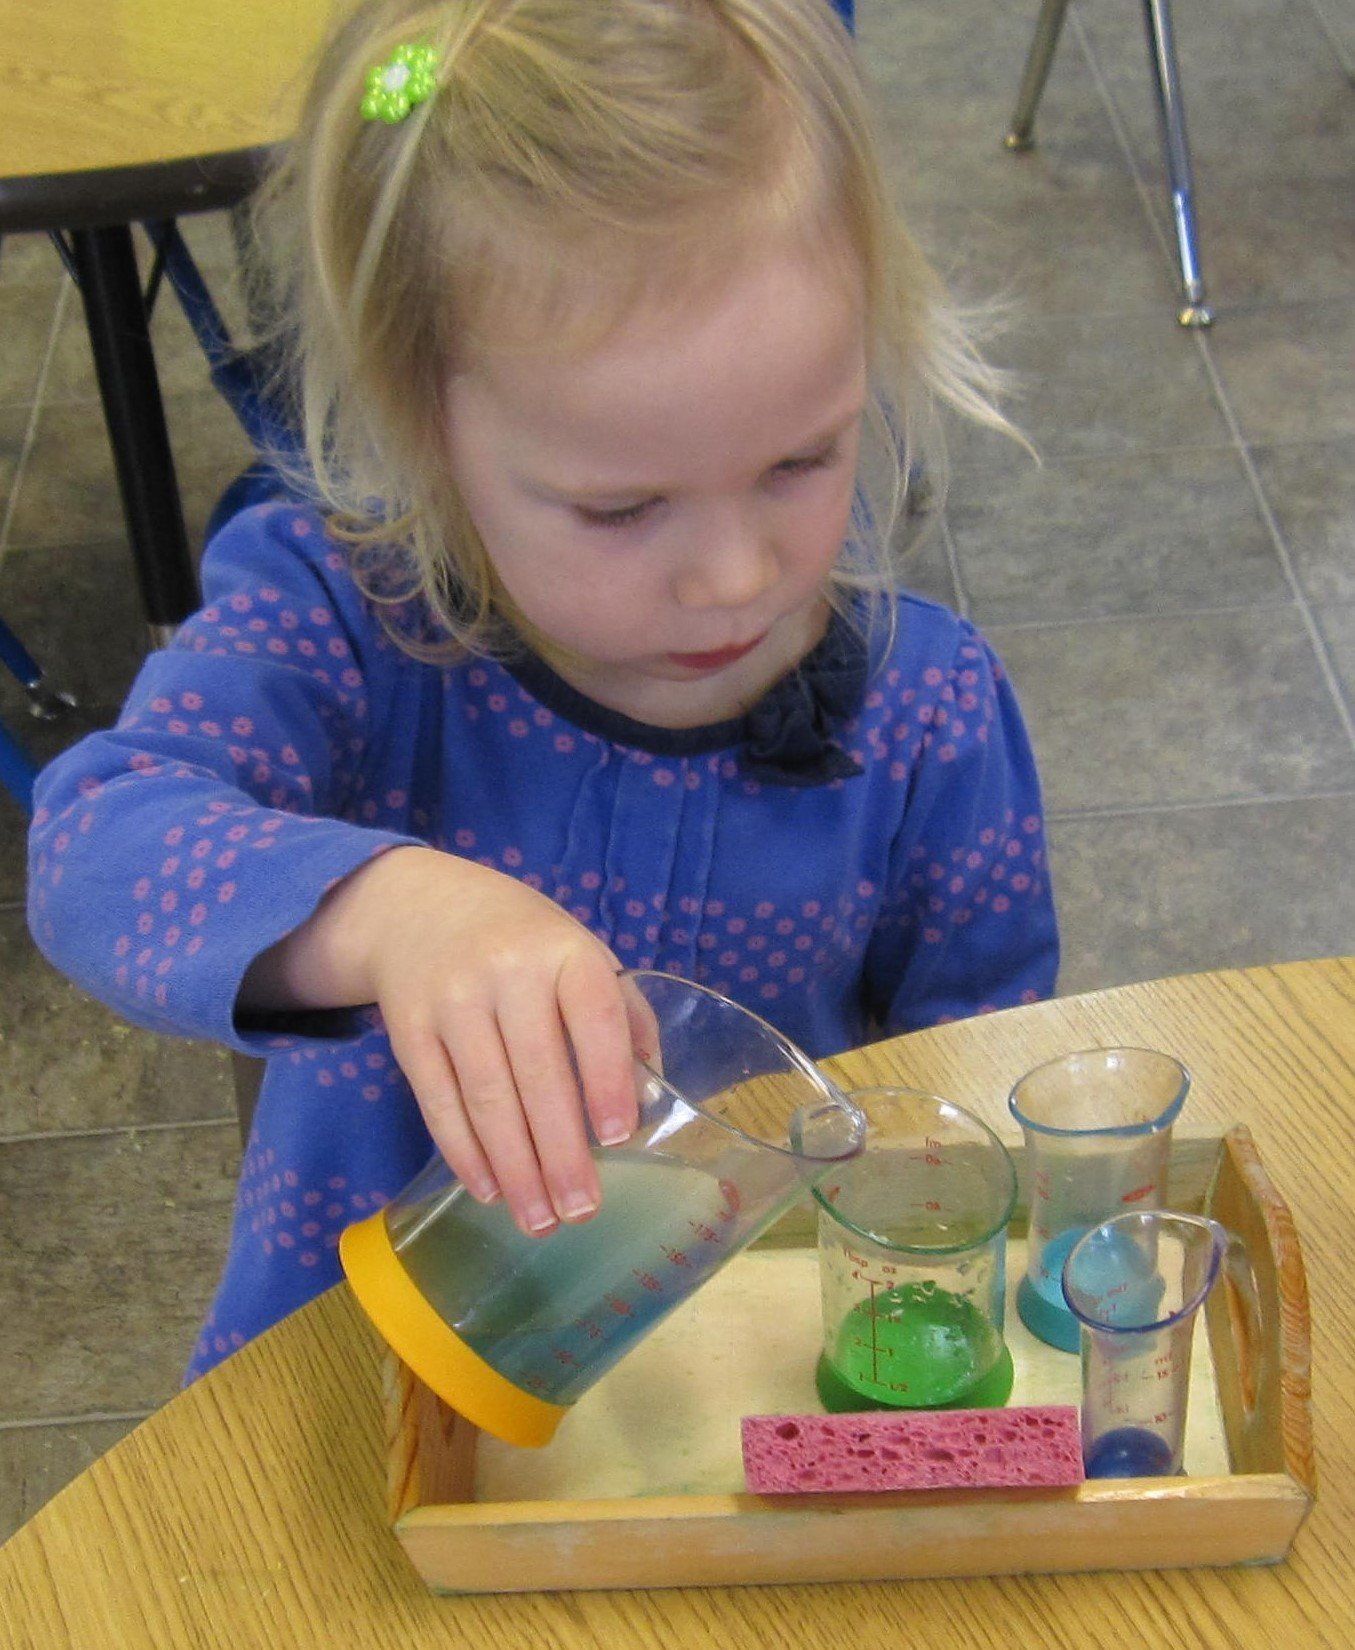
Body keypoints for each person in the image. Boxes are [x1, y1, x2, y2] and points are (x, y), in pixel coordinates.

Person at [27, 0, 1058, 1381]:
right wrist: (393, 913)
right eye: (622, 506)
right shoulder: (346, 620)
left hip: (731, 1393)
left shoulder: (927, 715)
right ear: (424, 422)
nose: (735, 577)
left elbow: (981, 1073)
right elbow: (94, 843)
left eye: (802, 462)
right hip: (351, 1384)